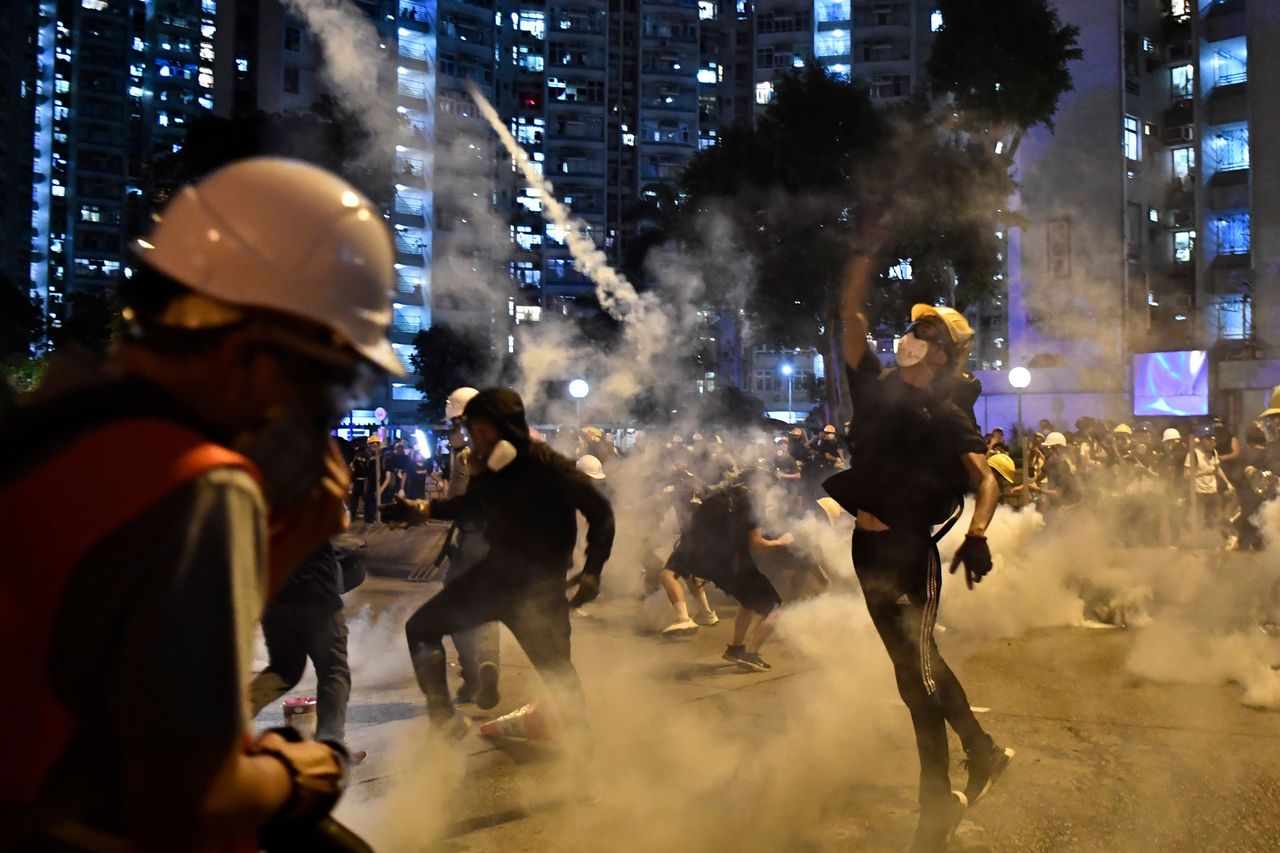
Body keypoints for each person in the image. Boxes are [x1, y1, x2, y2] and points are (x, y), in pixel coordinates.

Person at [0, 158, 397, 850]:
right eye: (328, 383)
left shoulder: (59, 421)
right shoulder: (202, 483)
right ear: (253, 357)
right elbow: (194, 803)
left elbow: (151, 671)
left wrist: (283, 546)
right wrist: (307, 768)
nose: (325, 417)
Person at [830, 244, 1012, 852]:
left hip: (910, 553)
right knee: (914, 674)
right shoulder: (876, 389)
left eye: (925, 331)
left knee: (919, 673)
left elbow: (986, 478)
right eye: (911, 326)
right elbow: (851, 324)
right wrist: (859, 263)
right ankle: (979, 755)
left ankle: (937, 801)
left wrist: (979, 534)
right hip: (866, 547)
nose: (911, 336)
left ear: (945, 354)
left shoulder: (945, 413)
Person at [384, 388, 614, 749]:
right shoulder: (495, 469)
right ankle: (444, 719)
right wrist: (422, 511)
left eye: (479, 429)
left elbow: (601, 515)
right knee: (421, 629)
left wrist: (593, 571)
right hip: (495, 578)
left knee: (559, 679)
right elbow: (472, 506)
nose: (473, 437)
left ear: (500, 428)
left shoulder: (551, 467)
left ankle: (584, 762)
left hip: (538, 592)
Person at [249, 540, 365, 763]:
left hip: (275, 590)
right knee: (334, 670)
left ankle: (224, 727)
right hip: (315, 590)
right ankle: (330, 747)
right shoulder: (312, 504)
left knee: (284, 670)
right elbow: (337, 519)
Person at [1187, 424, 1234, 544]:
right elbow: (1186, 475)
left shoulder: (1213, 453)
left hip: (1212, 490)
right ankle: (1199, 541)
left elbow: (1217, 469)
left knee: (1216, 517)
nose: (1211, 441)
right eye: (1208, 439)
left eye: (1212, 438)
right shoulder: (1194, 454)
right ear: (1201, 440)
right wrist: (1202, 472)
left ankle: (1224, 538)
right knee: (1199, 518)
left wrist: (1228, 483)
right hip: (1199, 492)